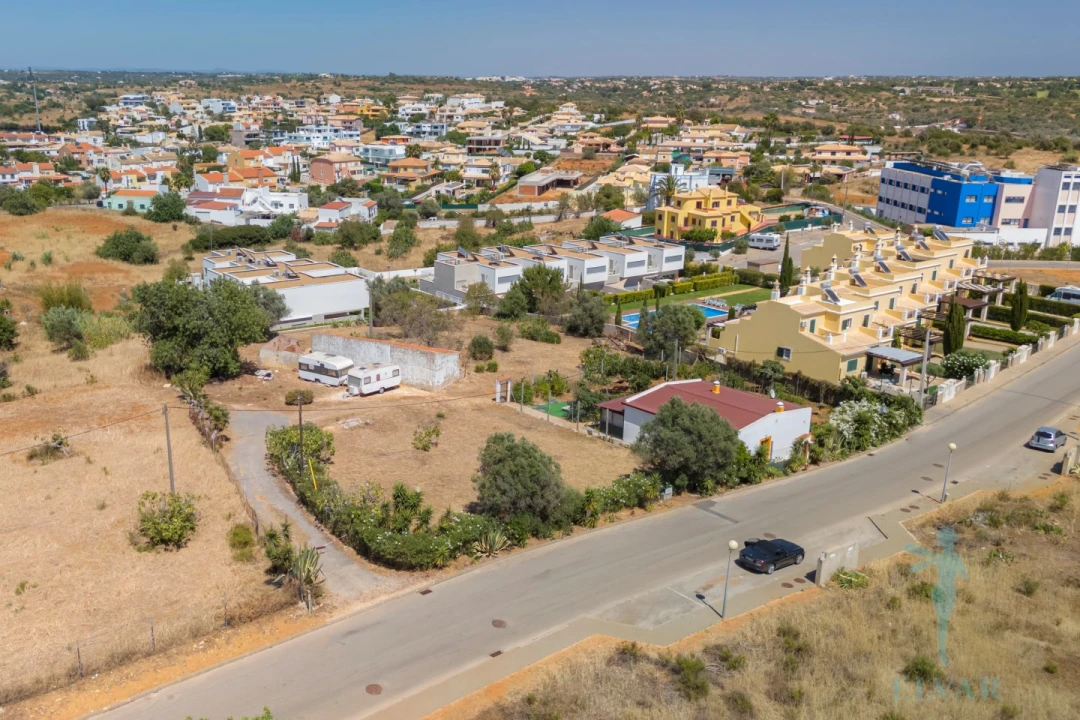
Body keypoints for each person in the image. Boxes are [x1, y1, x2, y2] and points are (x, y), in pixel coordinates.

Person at [906, 527, 967, 666]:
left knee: (942, 622)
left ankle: (941, 649)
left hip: (939, 590)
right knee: (943, 622)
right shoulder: (956, 558)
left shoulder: (939, 557)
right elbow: (964, 576)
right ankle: (941, 652)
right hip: (949, 591)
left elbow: (918, 567)